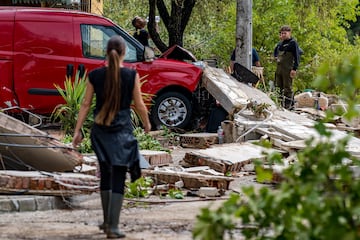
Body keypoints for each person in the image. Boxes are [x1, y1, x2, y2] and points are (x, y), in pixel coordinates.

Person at [72, 35, 151, 239]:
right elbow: (139, 104)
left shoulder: (95, 75)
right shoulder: (130, 76)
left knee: (105, 172)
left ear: (106, 52)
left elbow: (86, 104)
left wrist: (77, 130)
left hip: (100, 130)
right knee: (117, 174)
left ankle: (108, 222)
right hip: (122, 131)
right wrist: (147, 123)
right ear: (125, 52)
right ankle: (112, 227)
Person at [274, 25, 301, 109]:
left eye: (285, 33)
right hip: (279, 69)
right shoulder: (280, 44)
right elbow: (275, 52)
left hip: (288, 68)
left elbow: (297, 56)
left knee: (287, 87)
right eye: (282, 33)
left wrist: (294, 69)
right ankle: (280, 104)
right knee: (278, 87)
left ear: (289, 33)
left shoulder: (293, 43)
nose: (283, 35)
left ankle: (288, 105)